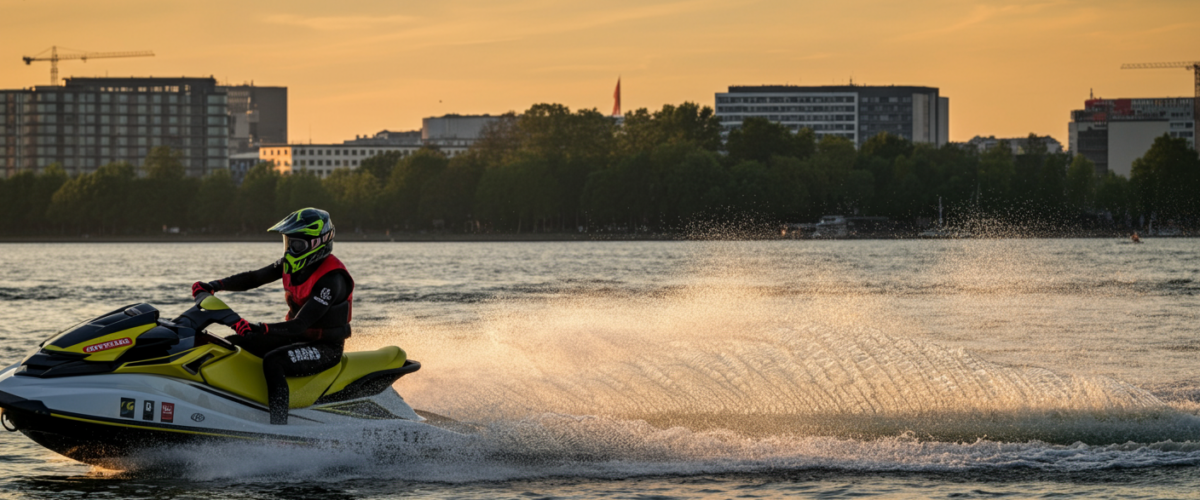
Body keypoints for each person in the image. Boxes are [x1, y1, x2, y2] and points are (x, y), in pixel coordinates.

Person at [192, 207, 353, 425]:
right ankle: (218, 403)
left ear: (317, 243)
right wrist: (213, 285)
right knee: (231, 344)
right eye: (288, 243)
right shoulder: (289, 264)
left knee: (274, 361)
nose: (290, 250)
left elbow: (299, 324)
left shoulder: (332, 279)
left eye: (296, 245)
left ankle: (279, 427)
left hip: (325, 347)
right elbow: (254, 278)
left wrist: (258, 327)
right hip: (296, 337)